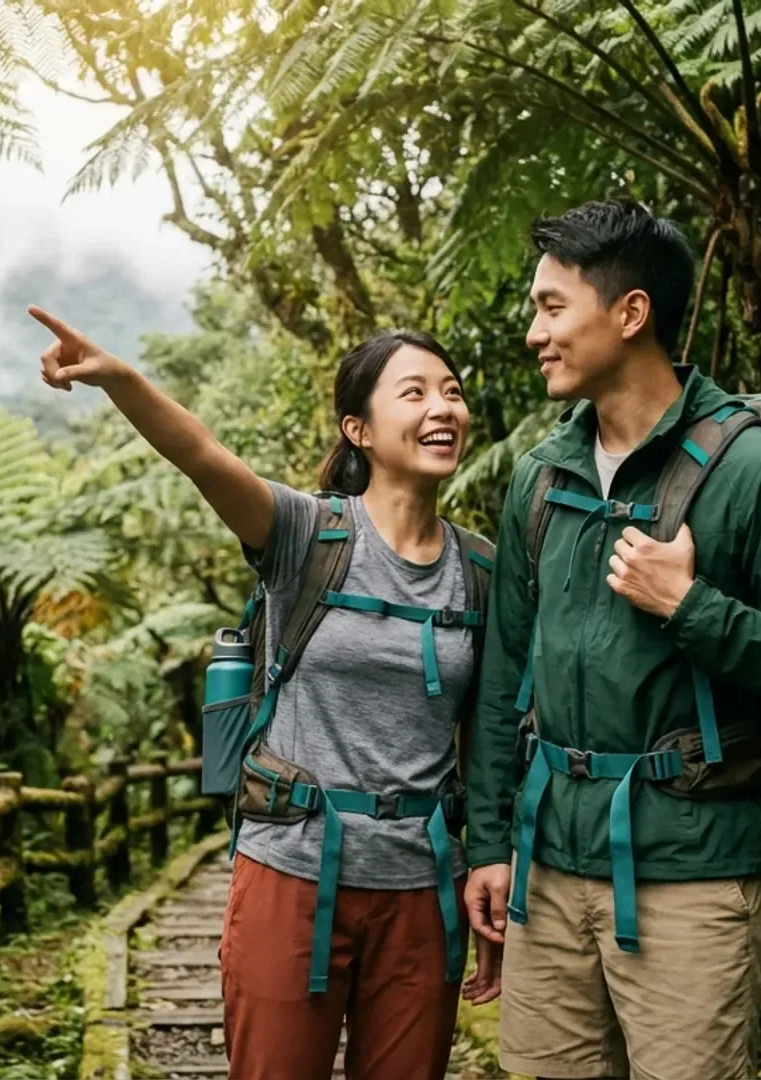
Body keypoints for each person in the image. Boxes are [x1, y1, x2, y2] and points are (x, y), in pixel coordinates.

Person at [29, 307, 502, 1080]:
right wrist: (117, 378)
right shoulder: (303, 536)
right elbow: (203, 455)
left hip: (423, 886)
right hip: (293, 869)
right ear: (359, 429)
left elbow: (491, 732)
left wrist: (492, 856)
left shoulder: (480, 571)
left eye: (450, 392)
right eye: (413, 394)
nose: (442, 409)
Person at [461, 201, 761, 1080]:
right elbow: (503, 681)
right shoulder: (542, 478)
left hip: (689, 873)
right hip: (546, 873)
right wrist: (488, 845)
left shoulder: (757, 472)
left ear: (631, 313)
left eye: (552, 307)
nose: (535, 332)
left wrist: (690, 607)